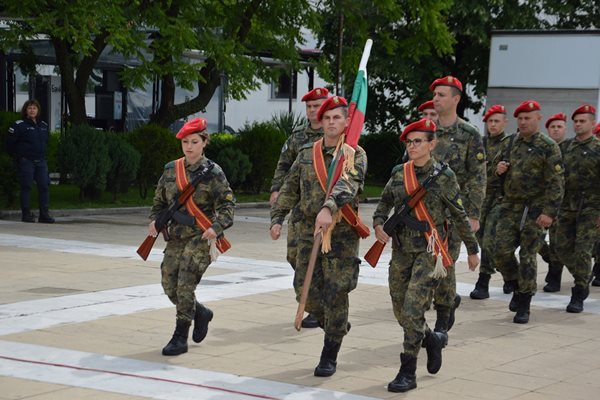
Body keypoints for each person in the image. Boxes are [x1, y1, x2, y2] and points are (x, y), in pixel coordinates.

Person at [373, 118, 479, 393]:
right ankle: (430, 338)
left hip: (430, 251)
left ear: (432, 144)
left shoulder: (444, 177)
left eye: (418, 141)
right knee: (400, 310)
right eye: (409, 141)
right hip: (400, 250)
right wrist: (377, 224)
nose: (412, 146)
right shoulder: (399, 172)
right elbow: (384, 202)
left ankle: (407, 371)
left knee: (413, 309)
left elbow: (458, 214)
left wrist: (472, 248)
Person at [270, 95, 367, 377]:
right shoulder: (305, 154)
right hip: (308, 233)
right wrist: (277, 218)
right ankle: (336, 324)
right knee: (306, 292)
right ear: (320, 122)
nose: (331, 122)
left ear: (346, 121)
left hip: (341, 235)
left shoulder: (354, 154)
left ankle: (330, 351)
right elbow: (289, 189)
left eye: (337, 117)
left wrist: (329, 206)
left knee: (336, 292)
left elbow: (350, 184)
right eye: (327, 118)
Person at [148, 118, 235, 356]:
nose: (189, 147)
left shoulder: (213, 173)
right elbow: (159, 202)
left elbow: (228, 206)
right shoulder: (170, 169)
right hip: (176, 237)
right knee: (169, 285)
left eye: (194, 142)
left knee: (185, 283)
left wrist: (216, 227)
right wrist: (155, 221)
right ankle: (200, 313)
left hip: (201, 236)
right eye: (185, 142)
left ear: (204, 142)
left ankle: (180, 336)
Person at [493, 100, 564, 324]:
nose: (523, 122)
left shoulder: (548, 146)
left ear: (538, 119)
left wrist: (549, 213)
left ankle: (525, 303)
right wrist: (499, 169)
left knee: (527, 256)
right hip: (510, 206)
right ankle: (515, 285)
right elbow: (496, 167)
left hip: (535, 208)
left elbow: (556, 182)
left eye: (528, 118)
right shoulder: (511, 141)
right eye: (520, 118)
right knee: (500, 251)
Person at [429, 76, 486, 334]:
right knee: (429, 263)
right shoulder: (426, 131)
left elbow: (477, 177)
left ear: (455, 99)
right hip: (425, 212)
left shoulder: (469, 134)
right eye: (435, 94)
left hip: (453, 214)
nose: (436, 99)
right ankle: (447, 300)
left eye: (441, 94)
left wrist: (473, 214)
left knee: (446, 262)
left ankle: (442, 317)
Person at [269, 87, 329, 329]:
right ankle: (316, 300)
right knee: (294, 256)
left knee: (320, 259)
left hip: (326, 211)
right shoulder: (297, 138)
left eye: (318, 106)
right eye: (310, 106)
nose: (313, 111)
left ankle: (316, 307)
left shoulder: (336, 135)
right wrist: (276, 189)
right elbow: (283, 166)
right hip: (300, 208)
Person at [550, 104, 600, 312]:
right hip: (566, 207)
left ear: (592, 123)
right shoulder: (565, 147)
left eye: (583, 121)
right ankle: (583, 275)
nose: (578, 125)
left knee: (582, 251)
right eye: (576, 121)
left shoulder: (598, 148)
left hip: (591, 208)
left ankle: (579, 292)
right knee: (560, 247)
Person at [472, 105, 518, 299]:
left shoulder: (510, 144)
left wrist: (501, 169)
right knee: (482, 238)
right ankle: (511, 274)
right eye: (490, 121)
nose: (492, 124)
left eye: (496, 121)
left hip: (500, 199)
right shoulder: (480, 143)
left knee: (490, 238)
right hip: (482, 198)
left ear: (505, 122)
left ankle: (483, 281)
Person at [6, 99, 55, 223]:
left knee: (44, 187)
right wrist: (19, 157)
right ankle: (26, 214)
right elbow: (10, 144)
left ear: (38, 110)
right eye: (29, 108)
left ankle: (44, 214)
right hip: (26, 161)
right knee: (26, 187)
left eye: (34, 108)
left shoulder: (43, 125)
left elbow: (46, 142)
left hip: (41, 162)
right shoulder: (19, 125)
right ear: (25, 110)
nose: (32, 110)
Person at [540, 112, 569, 292]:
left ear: (565, 129)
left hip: (564, 205)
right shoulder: (542, 148)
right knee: (536, 241)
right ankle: (552, 260)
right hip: (540, 203)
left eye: (559, 126)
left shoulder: (570, 149)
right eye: (553, 127)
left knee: (558, 242)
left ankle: (554, 276)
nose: (556, 130)